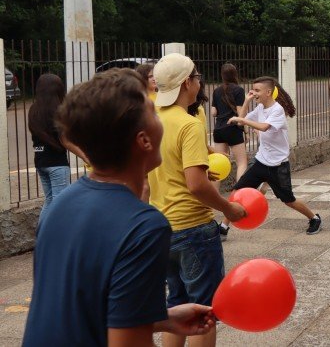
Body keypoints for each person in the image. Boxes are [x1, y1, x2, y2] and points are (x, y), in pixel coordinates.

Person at [23, 69, 215, 346]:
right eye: (153, 111)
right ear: (144, 141)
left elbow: (78, 309)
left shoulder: (60, 205)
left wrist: (159, 319)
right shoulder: (144, 225)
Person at [147, 53, 246, 347]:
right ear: (187, 83)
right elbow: (195, 186)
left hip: (162, 227)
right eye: (197, 77)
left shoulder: (151, 118)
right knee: (205, 312)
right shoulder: (188, 124)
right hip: (193, 229)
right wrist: (230, 208)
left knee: (175, 307)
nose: (199, 82)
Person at [225, 76, 322, 235]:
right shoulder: (260, 108)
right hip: (261, 162)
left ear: (268, 92)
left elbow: (264, 127)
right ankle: (223, 227)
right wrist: (247, 102)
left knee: (289, 200)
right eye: (253, 90)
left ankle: (314, 218)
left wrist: (242, 120)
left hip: (278, 166)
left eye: (257, 90)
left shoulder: (277, 110)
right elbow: (241, 122)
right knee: (237, 192)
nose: (254, 93)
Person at [27, 73, 70, 221]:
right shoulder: (58, 111)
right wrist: (86, 156)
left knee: (50, 200)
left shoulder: (33, 110)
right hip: (57, 163)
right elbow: (66, 141)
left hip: (40, 162)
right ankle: (54, 239)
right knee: (60, 204)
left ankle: (42, 236)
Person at [211, 63, 247, 181]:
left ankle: (214, 196)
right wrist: (246, 131)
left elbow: (213, 112)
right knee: (241, 163)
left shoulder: (216, 91)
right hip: (233, 128)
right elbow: (240, 114)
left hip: (218, 130)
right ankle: (239, 192)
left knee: (218, 165)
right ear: (235, 74)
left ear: (222, 75)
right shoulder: (239, 90)